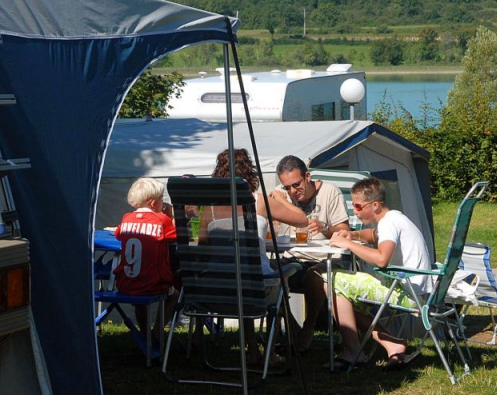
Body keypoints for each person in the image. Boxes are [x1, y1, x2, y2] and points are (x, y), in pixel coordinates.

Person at [204, 148, 305, 366]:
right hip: (255, 287)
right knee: (276, 279)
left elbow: (202, 244)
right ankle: (269, 351)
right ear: (250, 174)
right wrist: (281, 199)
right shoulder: (258, 202)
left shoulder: (208, 208)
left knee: (243, 274)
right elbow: (302, 219)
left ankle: (252, 350)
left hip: (218, 287)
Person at [327, 177, 431, 368]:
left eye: (358, 207)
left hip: (406, 292)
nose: (355, 212)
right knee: (343, 294)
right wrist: (353, 234)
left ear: (375, 205)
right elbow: (375, 236)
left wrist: (347, 244)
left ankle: (353, 351)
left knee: (331, 281)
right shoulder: (394, 218)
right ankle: (391, 343)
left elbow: (382, 258)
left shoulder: (388, 223)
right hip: (417, 289)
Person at [268, 155, 349, 351]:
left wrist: (324, 228)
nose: (293, 192)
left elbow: (344, 232)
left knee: (314, 276)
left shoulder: (330, 192)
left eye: (296, 185)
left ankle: (308, 326)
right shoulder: (281, 194)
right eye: (287, 187)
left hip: (325, 259)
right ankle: (292, 327)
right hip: (292, 256)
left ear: (308, 176)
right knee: (269, 274)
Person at [114, 177, 179, 351]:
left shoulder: (127, 218)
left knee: (140, 301)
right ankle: (157, 331)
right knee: (175, 295)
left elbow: (118, 235)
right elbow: (176, 236)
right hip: (153, 284)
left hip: (126, 284)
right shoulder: (161, 220)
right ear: (153, 203)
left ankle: (145, 335)